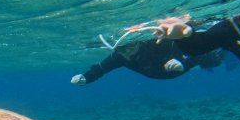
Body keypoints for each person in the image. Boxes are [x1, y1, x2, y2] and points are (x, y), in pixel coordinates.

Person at [71, 37, 224, 85]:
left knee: (213, 60)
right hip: (159, 74)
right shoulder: (120, 57)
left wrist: (181, 62)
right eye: (121, 49)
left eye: (130, 47)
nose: (127, 52)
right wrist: (86, 78)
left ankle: (225, 45)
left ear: (138, 42)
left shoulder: (154, 43)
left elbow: (187, 49)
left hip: (179, 66)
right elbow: (101, 68)